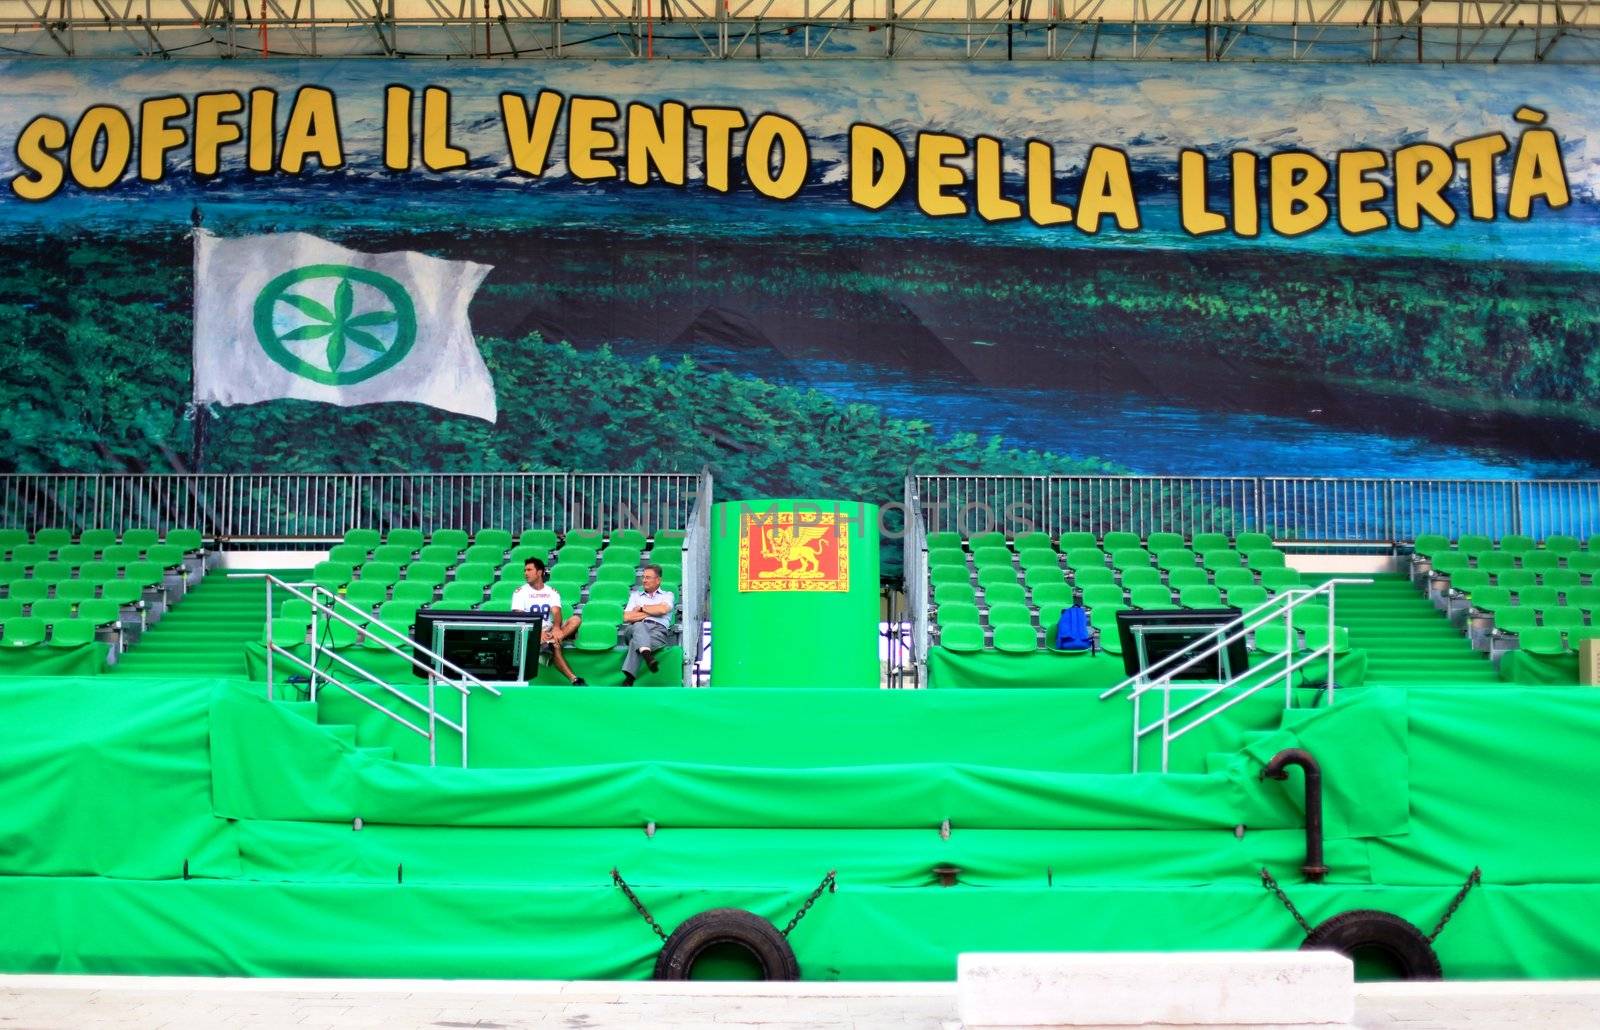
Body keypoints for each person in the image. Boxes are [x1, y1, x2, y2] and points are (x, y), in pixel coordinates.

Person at [510, 556, 585, 686]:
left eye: (529, 570)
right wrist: (538, 632)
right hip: (531, 631)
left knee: (575, 619)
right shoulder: (520, 592)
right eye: (525, 570)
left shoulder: (551, 591)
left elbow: (556, 611)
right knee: (555, 647)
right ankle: (574, 679)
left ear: (539, 572)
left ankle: (553, 639)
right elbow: (519, 616)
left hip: (550, 630)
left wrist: (556, 628)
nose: (525, 573)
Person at [620, 563, 675, 686]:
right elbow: (626, 617)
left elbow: (663, 610)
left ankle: (629, 680)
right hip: (633, 629)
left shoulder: (668, 595)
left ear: (658, 580)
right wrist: (652, 612)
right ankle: (648, 657)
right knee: (638, 626)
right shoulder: (635, 596)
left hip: (657, 632)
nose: (644, 580)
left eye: (648, 577)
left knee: (637, 641)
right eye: (643, 577)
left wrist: (641, 609)